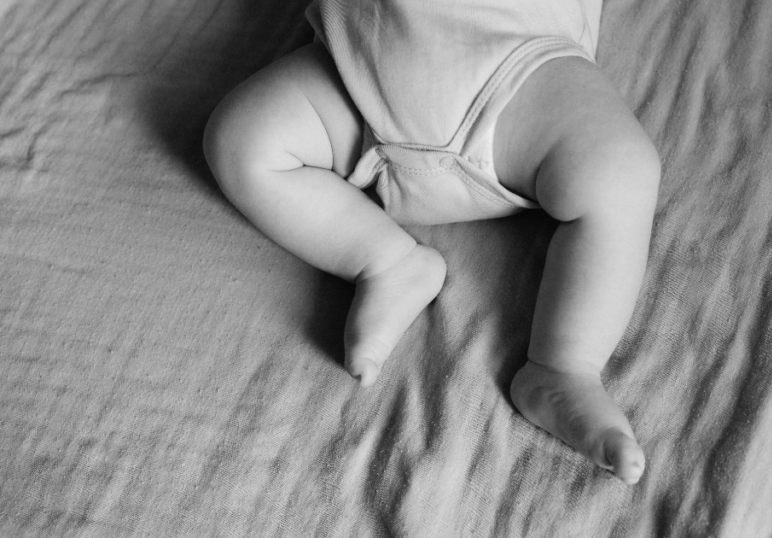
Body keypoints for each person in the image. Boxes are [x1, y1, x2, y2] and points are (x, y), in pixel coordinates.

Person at [203, 0, 661, 485]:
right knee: (241, 140)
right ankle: (385, 259)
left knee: (620, 170)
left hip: (520, 76)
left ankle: (565, 366)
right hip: (358, 81)